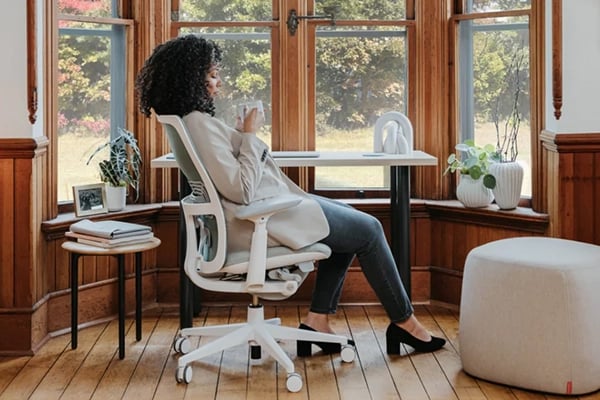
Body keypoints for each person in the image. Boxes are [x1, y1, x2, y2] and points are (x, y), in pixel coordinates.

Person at [135, 35, 445, 355]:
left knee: (350, 225)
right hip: (256, 219)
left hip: (256, 214)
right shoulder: (198, 123)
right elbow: (240, 190)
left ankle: (317, 322)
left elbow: (228, 177)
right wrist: (250, 136)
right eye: (211, 75)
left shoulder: (186, 121)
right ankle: (405, 324)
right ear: (190, 79)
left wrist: (242, 136)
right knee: (369, 229)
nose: (218, 82)